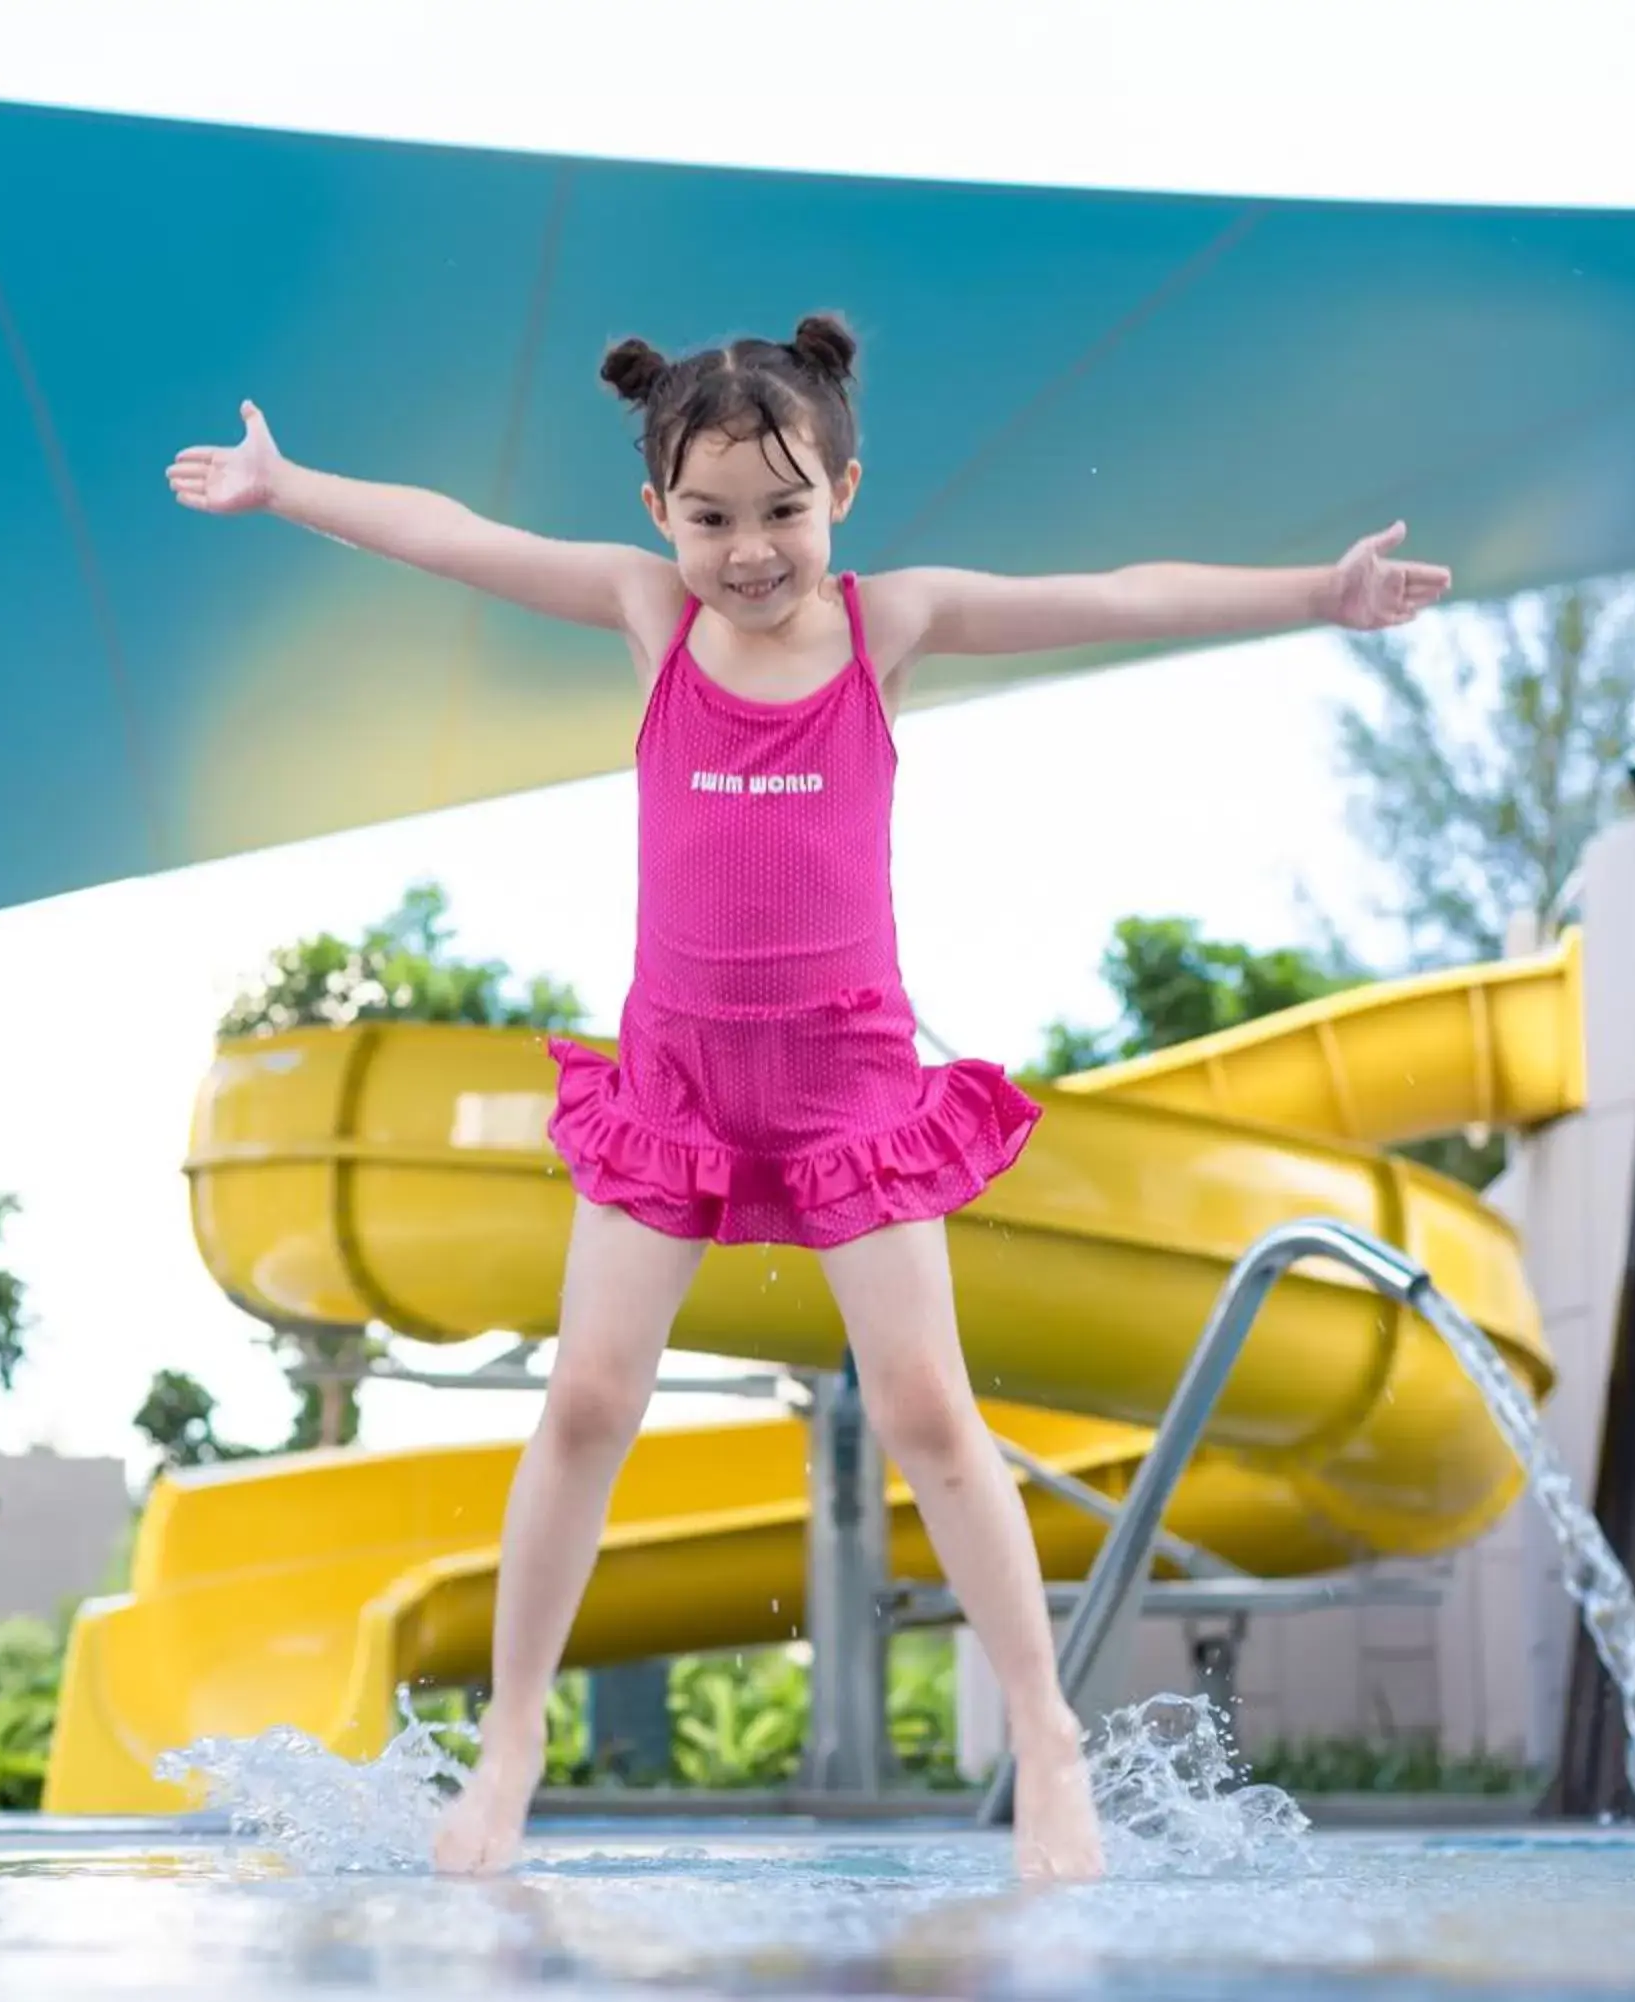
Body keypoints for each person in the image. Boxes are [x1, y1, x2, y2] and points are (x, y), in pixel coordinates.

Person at [164, 314, 1449, 1882]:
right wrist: (291, 487)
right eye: (710, 518)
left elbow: (1112, 595)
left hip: (847, 1084)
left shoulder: (888, 623)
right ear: (659, 516)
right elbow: (465, 541)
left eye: (785, 511)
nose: (749, 550)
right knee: (583, 1402)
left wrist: (1316, 594)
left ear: (844, 487)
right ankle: (509, 1742)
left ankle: (1045, 1731)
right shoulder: (648, 614)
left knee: (925, 1408)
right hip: (677, 1084)